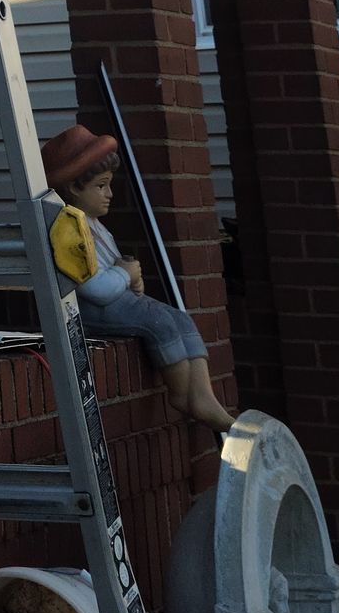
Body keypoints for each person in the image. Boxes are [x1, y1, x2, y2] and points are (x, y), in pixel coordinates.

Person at [41, 123, 234, 434]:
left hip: (117, 299)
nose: (109, 194)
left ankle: (204, 397)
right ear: (75, 188)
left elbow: (112, 271)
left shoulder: (95, 226)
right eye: (101, 186)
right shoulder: (68, 229)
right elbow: (95, 289)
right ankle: (185, 397)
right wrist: (124, 273)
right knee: (158, 321)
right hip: (90, 309)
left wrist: (129, 277)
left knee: (179, 318)